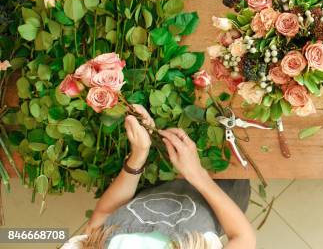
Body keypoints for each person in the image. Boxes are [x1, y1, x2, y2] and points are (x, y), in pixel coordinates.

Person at [63, 105, 256, 249]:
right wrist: (197, 175)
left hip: (158, 174)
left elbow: (104, 214)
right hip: (222, 183)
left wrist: (139, 154)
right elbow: (243, 237)